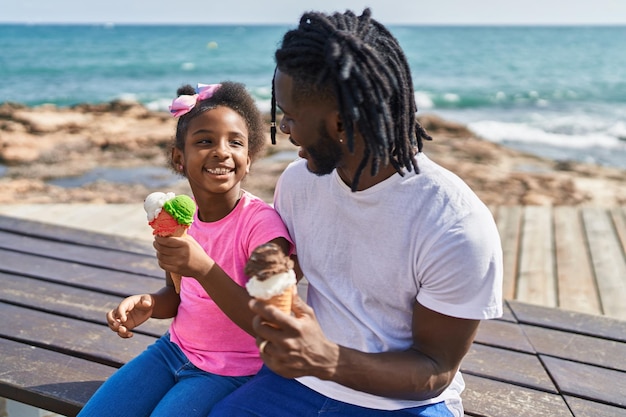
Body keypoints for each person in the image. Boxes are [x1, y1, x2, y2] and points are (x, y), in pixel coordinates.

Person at [210, 8, 502, 417]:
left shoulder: (455, 224)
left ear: (342, 124)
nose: (284, 129)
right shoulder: (298, 183)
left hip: (400, 404)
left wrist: (326, 359)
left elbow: (435, 369)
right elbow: (280, 280)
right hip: (299, 384)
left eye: (291, 117)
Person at [78, 82, 293, 417]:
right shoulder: (179, 218)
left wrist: (204, 268)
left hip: (233, 371)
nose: (222, 151)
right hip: (171, 352)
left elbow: (269, 321)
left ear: (248, 160)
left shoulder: (263, 229)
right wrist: (149, 304)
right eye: (205, 141)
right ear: (179, 158)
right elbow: (177, 294)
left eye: (235, 142)